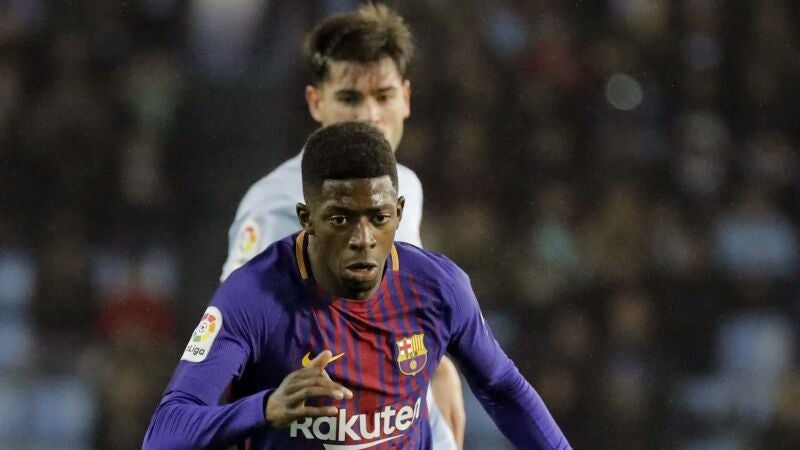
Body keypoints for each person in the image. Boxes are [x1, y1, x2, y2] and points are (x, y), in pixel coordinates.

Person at [143, 121, 572, 449]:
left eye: (378, 218)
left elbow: (503, 388)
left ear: (398, 213)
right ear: (307, 219)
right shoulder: (251, 297)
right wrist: (265, 407)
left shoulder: (439, 288)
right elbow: (164, 432)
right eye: (340, 218)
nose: (363, 238)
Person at [219, 4, 464, 448]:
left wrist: (438, 363)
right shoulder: (274, 206)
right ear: (317, 102)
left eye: (383, 96)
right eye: (350, 98)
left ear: (406, 98)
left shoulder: (407, 186)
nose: (369, 114)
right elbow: (230, 347)